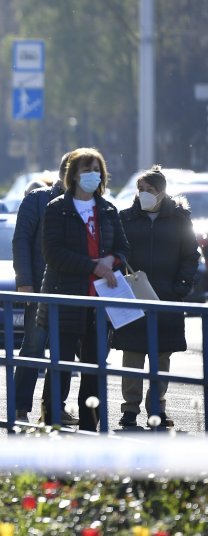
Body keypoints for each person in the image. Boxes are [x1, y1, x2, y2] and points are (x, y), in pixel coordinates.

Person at [37, 147, 129, 431]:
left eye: (97, 169)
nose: (93, 175)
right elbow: (53, 253)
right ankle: (53, 422)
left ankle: (90, 426)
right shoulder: (57, 209)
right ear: (73, 174)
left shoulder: (108, 209)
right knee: (60, 366)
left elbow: (123, 249)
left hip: (100, 301)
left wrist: (111, 261)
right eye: (86, 169)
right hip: (66, 298)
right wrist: (93, 266)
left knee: (94, 368)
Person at [112, 166, 199, 429]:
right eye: (141, 190)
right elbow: (116, 252)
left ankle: (157, 408)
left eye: (150, 190)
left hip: (167, 297)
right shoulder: (125, 218)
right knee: (132, 356)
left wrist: (180, 287)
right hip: (133, 296)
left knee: (161, 357)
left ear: (162, 192)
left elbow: (190, 256)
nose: (144, 195)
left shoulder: (180, 220)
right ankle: (129, 410)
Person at [12, 153, 73, 424]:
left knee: (65, 353)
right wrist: (25, 282)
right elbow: (21, 242)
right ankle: (19, 407)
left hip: (75, 291)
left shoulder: (90, 205)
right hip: (40, 288)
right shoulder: (36, 200)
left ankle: (53, 409)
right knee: (33, 347)